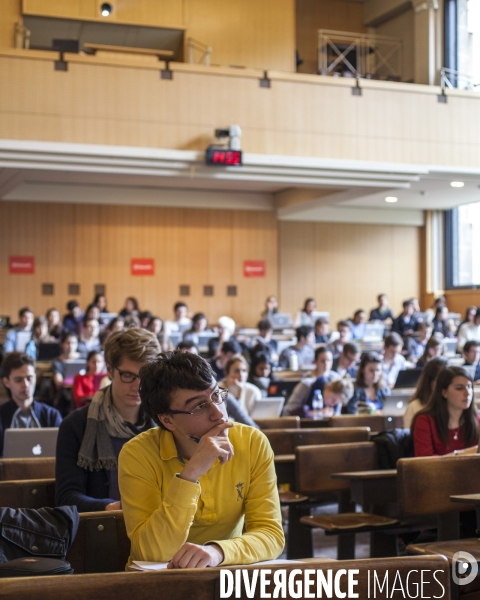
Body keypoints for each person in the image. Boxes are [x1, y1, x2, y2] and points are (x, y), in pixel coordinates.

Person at [118, 350, 284, 567]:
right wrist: (189, 475)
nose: (219, 414)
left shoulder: (252, 442)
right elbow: (150, 552)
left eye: (217, 396)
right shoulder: (137, 454)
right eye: (199, 406)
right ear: (168, 420)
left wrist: (218, 552)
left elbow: (272, 534)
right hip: (159, 581)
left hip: (225, 573)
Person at [55, 328, 161, 512]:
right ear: (110, 370)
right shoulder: (74, 425)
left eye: (146, 376)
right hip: (102, 529)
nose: (138, 386)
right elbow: (67, 497)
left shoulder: (164, 422)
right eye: (128, 375)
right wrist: (115, 509)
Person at [0, 353, 62, 455]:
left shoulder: (51, 415)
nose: (25, 385)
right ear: (7, 382)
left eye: (29, 378)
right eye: (18, 380)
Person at [412, 366, 479, 456]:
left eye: (469, 387)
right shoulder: (425, 420)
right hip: (435, 470)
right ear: (444, 392)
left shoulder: (477, 419)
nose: (467, 393)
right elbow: (424, 461)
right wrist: (463, 455)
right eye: (459, 388)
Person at [284, 347, 340, 417]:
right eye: (323, 361)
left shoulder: (337, 379)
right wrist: (317, 413)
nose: (326, 364)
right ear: (315, 361)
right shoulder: (306, 383)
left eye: (329, 360)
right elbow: (289, 410)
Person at [403, 357, 448, 428]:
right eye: (439, 380)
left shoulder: (454, 405)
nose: (444, 384)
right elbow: (410, 435)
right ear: (429, 381)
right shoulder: (415, 406)